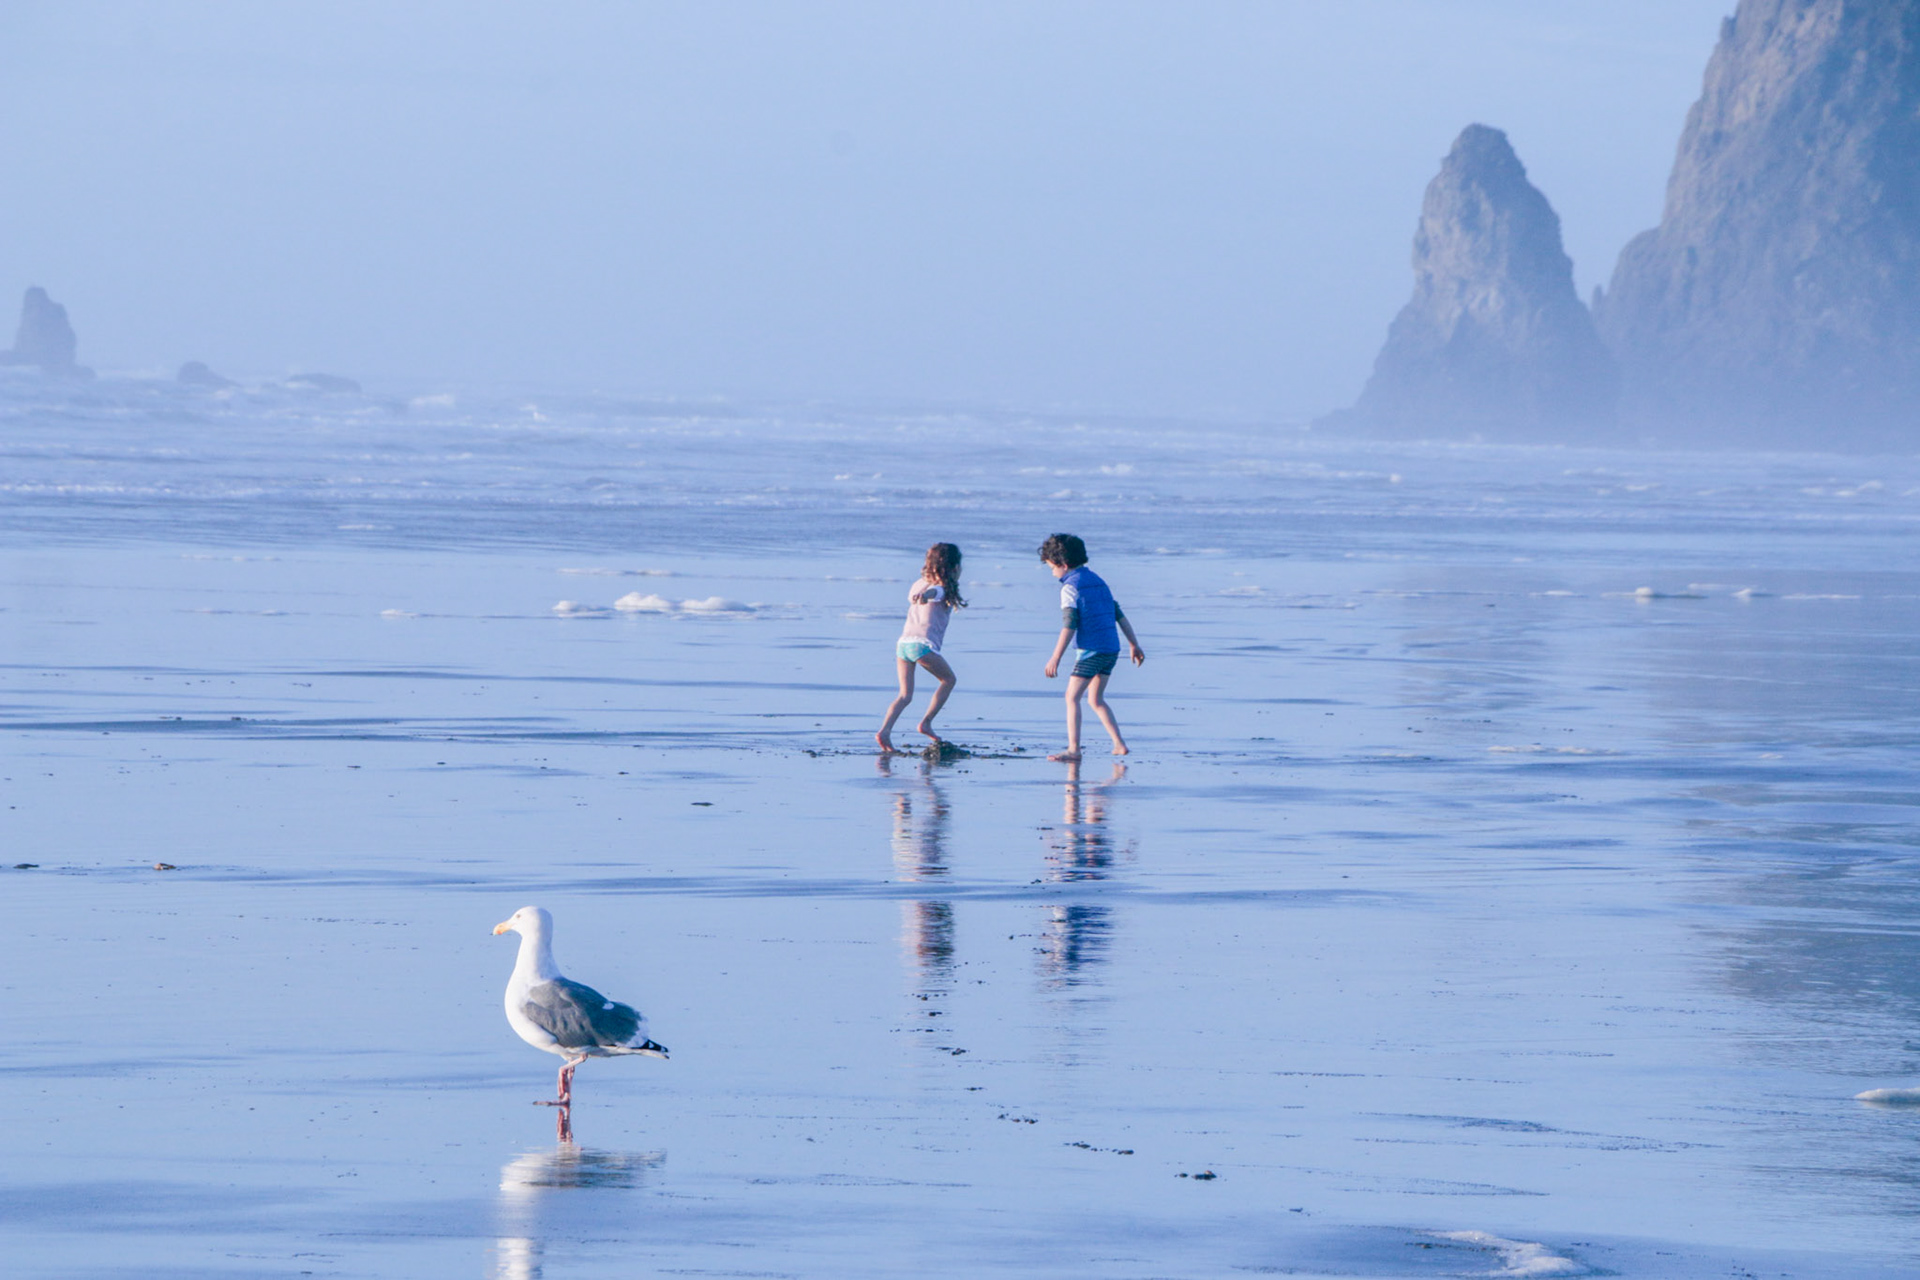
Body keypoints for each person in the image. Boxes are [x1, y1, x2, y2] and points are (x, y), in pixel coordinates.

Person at [1038, 533, 1144, 761]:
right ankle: (1119, 744)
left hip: (1091, 650)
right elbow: (1119, 614)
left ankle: (1074, 749)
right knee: (1095, 699)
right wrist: (1133, 643)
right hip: (1111, 649)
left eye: (1052, 568)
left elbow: (1070, 625)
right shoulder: (1098, 581)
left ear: (1063, 565)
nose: (1053, 573)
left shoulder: (1069, 587)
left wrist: (1055, 657)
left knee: (1071, 697)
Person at [877, 542, 966, 753]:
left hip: (903, 644)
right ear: (953, 568)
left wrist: (922, 594)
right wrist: (926, 596)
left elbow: (923, 593)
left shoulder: (918, 583)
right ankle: (926, 722)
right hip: (922, 646)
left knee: (905, 695)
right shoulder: (942, 588)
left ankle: (884, 731)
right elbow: (936, 593)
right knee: (949, 680)